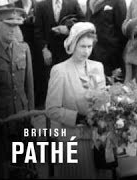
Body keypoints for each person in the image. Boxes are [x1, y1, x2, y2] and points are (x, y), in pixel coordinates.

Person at [45, 22, 112, 178]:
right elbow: (51, 109)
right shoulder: (60, 71)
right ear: (73, 44)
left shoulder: (98, 67)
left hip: (96, 138)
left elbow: (102, 99)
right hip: (72, 139)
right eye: (82, 46)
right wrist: (78, 118)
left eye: (90, 46)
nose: (87, 51)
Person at [0, 5, 34, 178]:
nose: (13, 29)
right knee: (2, 167)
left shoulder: (23, 49)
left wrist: (31, 113)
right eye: (9, 25)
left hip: (22, 117)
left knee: (25, 166)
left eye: (17, 25)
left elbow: (29, 86)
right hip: (0, 120)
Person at [34, 0, 85, 66]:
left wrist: (68, 29)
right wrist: (44, 49)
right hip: (48, 54)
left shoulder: (73, 3)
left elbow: (83, 22)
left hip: (67, 53)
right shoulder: (41, 5)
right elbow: (38, 30)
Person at [86, 0, 127, 80]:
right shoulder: (89, 1)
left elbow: (122, 31)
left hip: (111, 58)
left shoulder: (118, 2)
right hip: (92, 55)